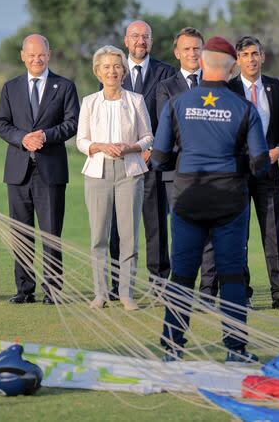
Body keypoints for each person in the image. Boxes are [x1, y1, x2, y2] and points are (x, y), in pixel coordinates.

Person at [153, 36, 270, 363]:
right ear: (233, 68)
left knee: (182, 275)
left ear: (202, 62)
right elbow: (261, 163)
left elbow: (159, 157)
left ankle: (172, 349)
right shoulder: (244, 108)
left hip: (188, 196)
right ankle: (235, 351)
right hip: (229, 199)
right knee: (231, 275)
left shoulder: (177, 103)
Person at [0, 34, 79, 305]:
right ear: (22, 56)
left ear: (49, 54)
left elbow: (73, 123)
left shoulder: (64, 87)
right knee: (21, 233)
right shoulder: (10, 87)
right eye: (31, 55)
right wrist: (23, 138)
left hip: (51, 171)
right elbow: (2, 123)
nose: (36, 59)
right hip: (18, 171)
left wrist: (45, 136)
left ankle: (53, 290)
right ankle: (24, 289)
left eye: (41, 54)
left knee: (51, 233)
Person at [228, 36, 279, 311]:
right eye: (245, 54)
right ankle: (243, 294)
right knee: (240, 236)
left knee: (272, 234)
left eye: (255, 53)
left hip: (269, 174)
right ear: (238, 60)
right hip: (238, 175)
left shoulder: (273, 86)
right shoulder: (229, 89)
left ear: (262, 57)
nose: (251, 59)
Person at [77, 45, 153, 311]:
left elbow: (147, 138)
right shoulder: (89, 102)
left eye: (117, 66)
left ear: (123, 71)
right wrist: (98, 146)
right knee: (98, 236)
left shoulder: (136, 101)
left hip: (129, 173)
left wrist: (129, 147)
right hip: (97, 173)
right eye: (106, 67)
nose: (112, 71)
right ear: (98, 72)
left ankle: (126, 294)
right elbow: (81, 141)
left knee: (129, 236)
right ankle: (100, 293)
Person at [107, 20, 175, 299]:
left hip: (153, 160)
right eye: (135, 36)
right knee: (117, 224)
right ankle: (116, 284)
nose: (140, 41)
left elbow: (169, 117)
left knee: (156, 223)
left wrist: (153, 150)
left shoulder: (166, 72)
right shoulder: (112, 71)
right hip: (119, 163)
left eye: (145, 36)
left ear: (151, 41)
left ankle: (159, 284)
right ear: (126, 40)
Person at [154, 27, 217, 298]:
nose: (192, 53)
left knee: (211, 237)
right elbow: (169, 127)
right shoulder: (166, 88)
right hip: (178, 173)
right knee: (183, 235)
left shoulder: (217, 83)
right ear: (177, 53)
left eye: (196, 48)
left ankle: (207, 292)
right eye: (187, 48)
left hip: (215, 173)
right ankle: (182, 291)